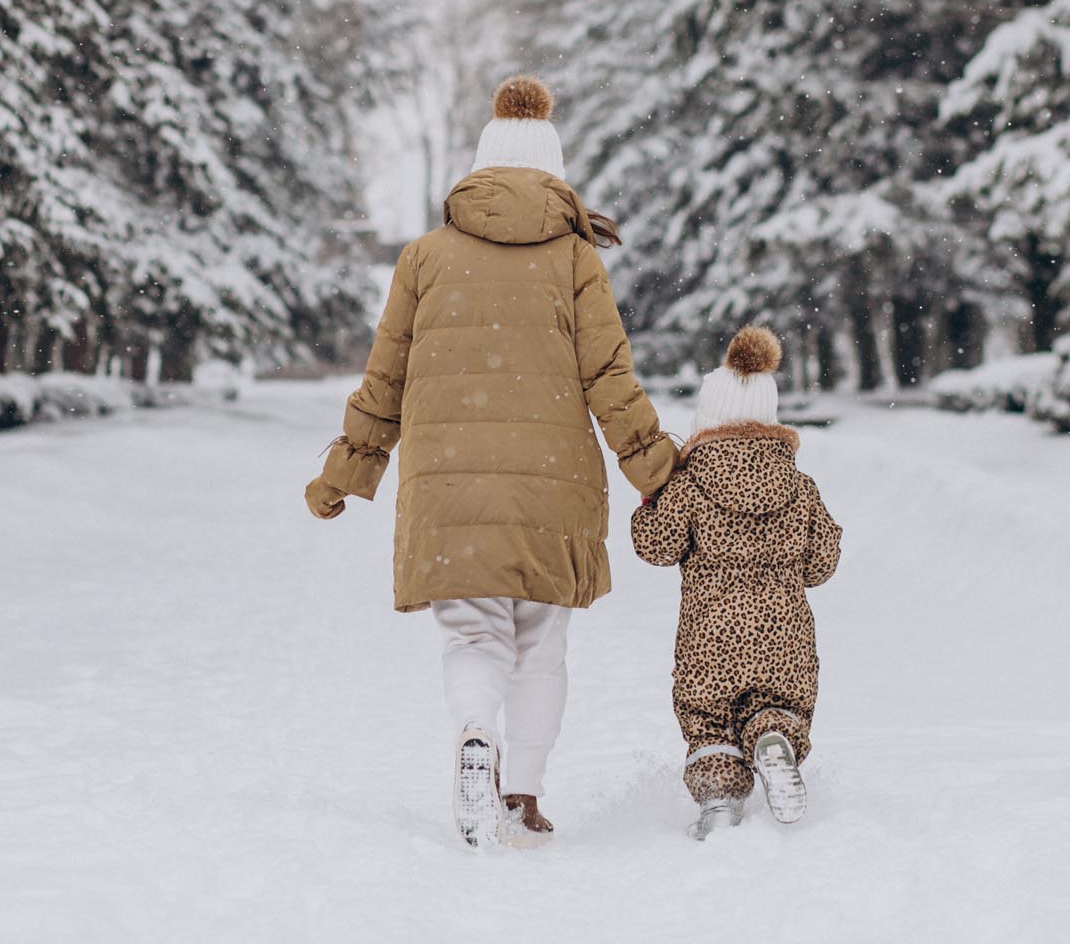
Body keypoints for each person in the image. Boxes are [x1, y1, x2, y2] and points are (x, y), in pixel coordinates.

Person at [304, 76, 677, 849]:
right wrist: (662, 473)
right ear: (555, 174)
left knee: (474, 638)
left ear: (478, 170)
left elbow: (386, 380)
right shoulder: (576, 260)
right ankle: (523, 796)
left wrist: (343, 472)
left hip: (449, 490)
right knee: (541, 643)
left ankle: (477, 733)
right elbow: (611, 380)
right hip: (553, 491)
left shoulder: (424, 258)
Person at [628, 326, 843, 840]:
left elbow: (655, 547)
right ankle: (773, 737)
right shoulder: (799, 486)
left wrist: (649, 504)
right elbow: (822, 563)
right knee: (779, 705)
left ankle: (720, 801)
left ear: (706, 419)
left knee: (709, 721)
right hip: (785, 638)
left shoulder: (690, 483)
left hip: (710, 639)